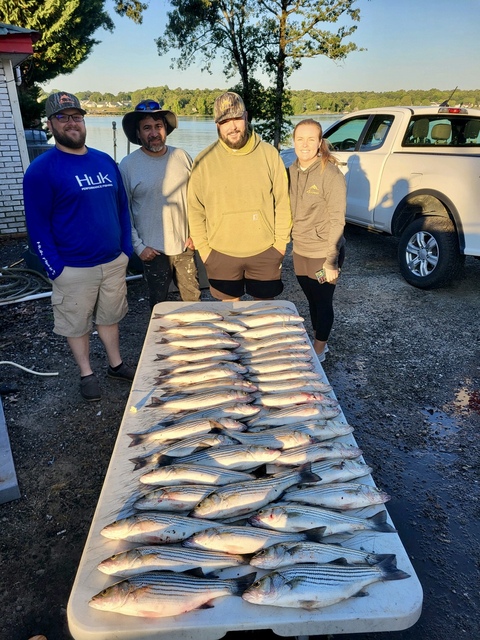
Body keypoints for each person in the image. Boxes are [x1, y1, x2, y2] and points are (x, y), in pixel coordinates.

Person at [23, 91, 135, 402]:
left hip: (113, 262)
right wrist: (54, 268)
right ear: (50, 124)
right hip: (72, 268)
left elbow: (122, 209)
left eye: (76, 116)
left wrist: (126, 250)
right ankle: (86, 373)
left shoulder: (104, 162)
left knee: (110, 316)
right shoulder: (41, 170)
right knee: (77, 321)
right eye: (63, 117)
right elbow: (37, 227)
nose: (71, 123)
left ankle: (116, 364)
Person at [187, 91, 292, 301]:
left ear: (246, 117)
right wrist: (206, 251)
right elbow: (195, 210)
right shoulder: (203, 161)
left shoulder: (269, 155)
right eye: (225, 120)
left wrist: (280, 245)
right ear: (217, 124)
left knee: (264, 315)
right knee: (229, 317)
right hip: (220, 253)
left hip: (265, 251)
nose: (232, 126)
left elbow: (282, 202)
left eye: (236, 118)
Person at [120, 100, 201, 309]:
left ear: (166, 129)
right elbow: (123, 211)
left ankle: (195, 339)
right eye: (147, 128)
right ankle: (162, 340)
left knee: (193, 302)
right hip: (152, 249)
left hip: (184, 245)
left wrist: (197, 235)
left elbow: (197, 198)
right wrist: (138, 247)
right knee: (159, 306)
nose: (154, 133)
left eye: (158, 126)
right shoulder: (128, 166)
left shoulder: (181, 156)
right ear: (138, 133)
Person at [288, 118, 346, 362]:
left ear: (320, 142)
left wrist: (331, 262)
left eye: (311, 139)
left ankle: (320, 350)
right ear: (293, 141)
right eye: (300, 138)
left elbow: (337, 220)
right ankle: (316, 337)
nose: (305, 144)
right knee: (310, 297)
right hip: (300, 250)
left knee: (322, 301)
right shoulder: (291, 170)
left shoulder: (330, 174)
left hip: (323, 254)